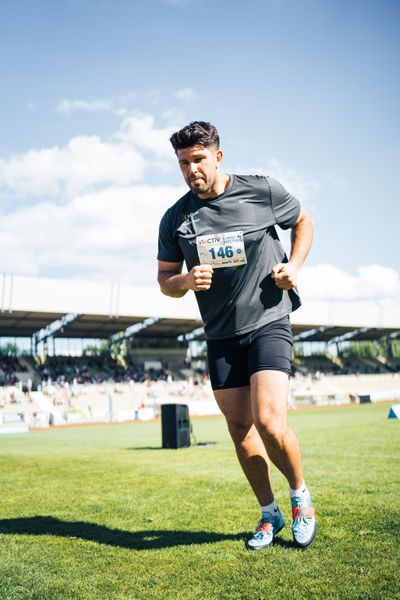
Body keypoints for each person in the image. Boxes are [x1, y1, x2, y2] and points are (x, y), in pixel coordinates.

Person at [157, 121, 316, 550]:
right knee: (240, 429)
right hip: (220, 335)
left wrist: (295, 266)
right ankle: (269, 513)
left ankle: (300, 497)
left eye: (198, 159)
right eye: (183, 163)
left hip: (268, 319)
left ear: (218, 157)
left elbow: (302, 220)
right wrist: (186, 281)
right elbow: (164, 280)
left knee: (268, 420)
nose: (191, 169)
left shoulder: (260, 190)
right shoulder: (176, 218)